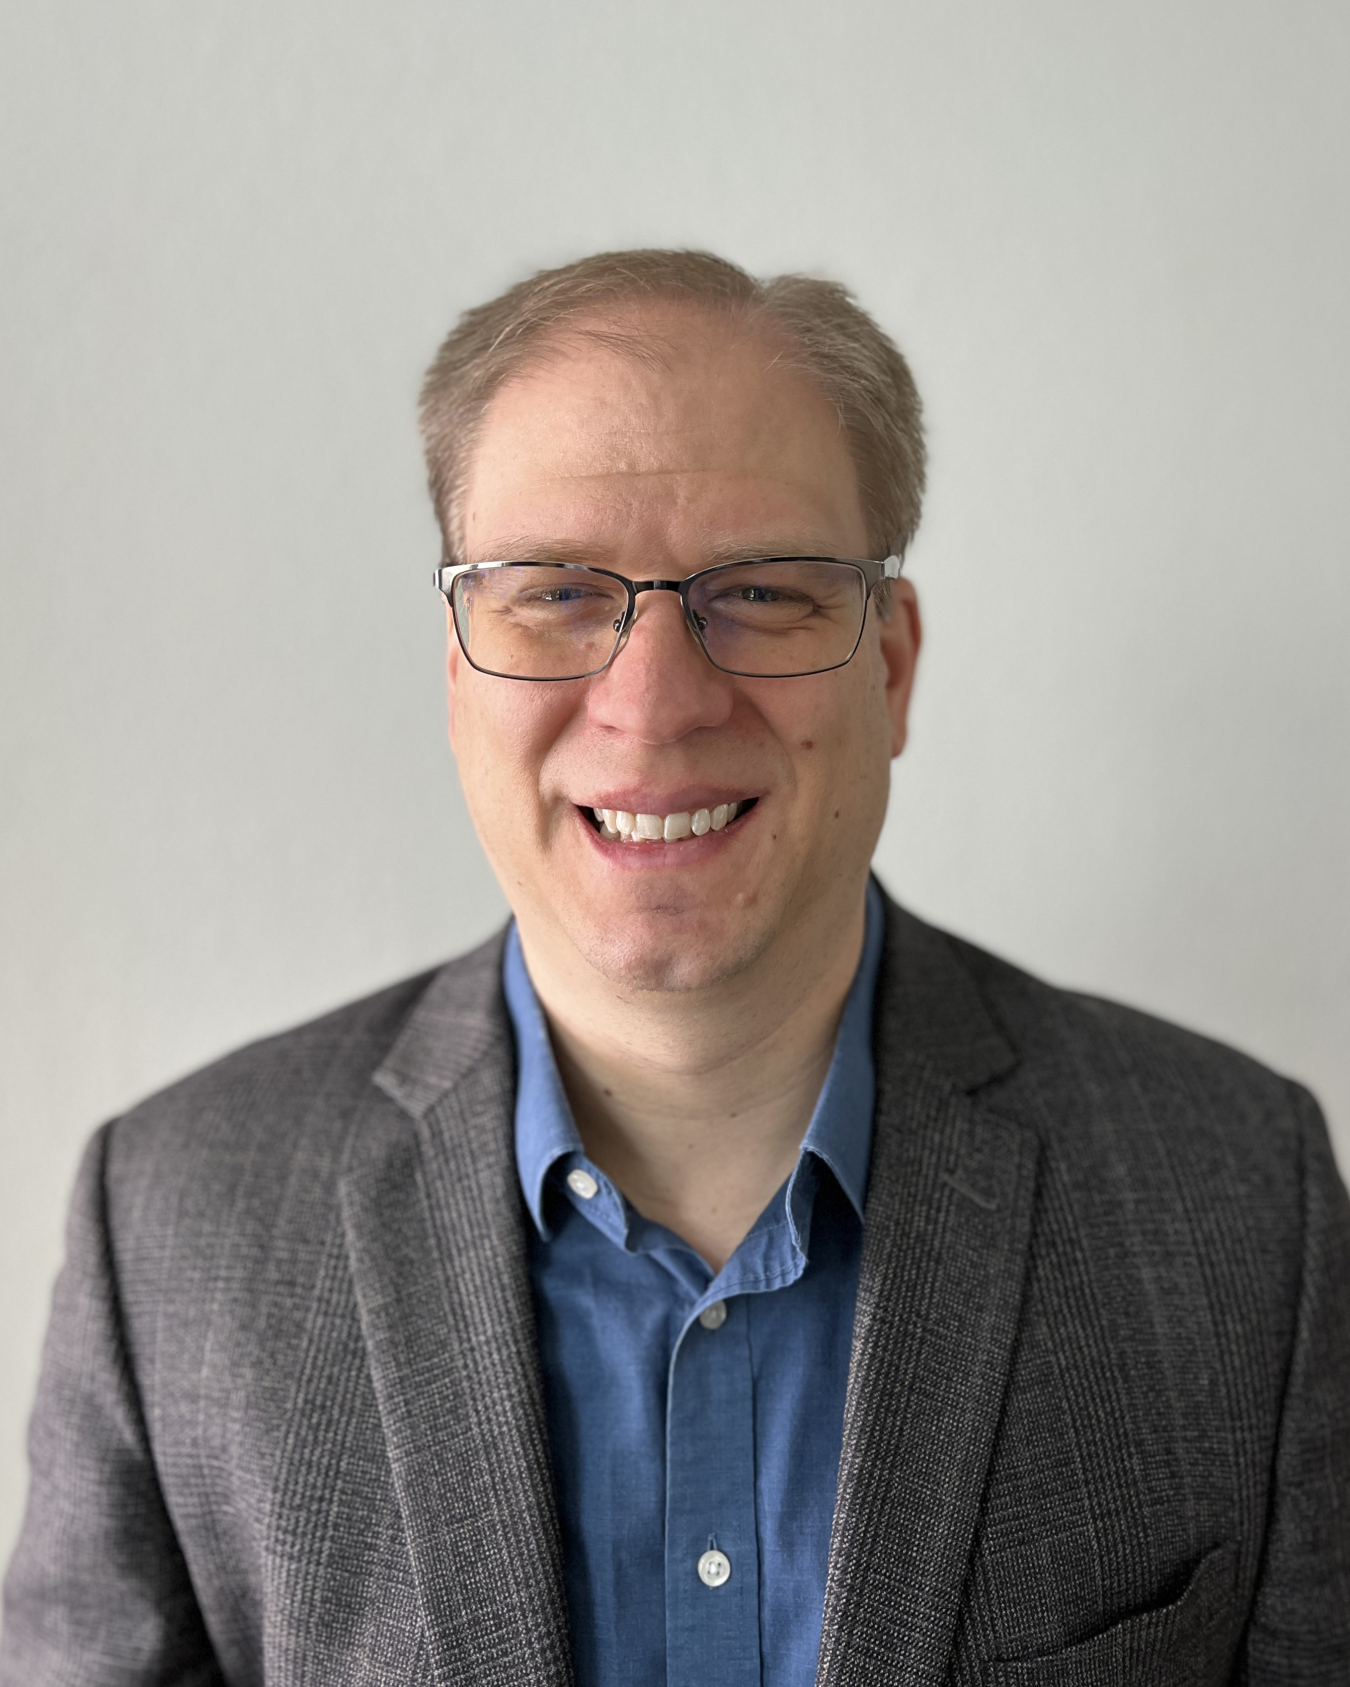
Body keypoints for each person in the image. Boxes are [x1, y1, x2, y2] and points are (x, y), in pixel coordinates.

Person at [2, 249, 1347, 1687]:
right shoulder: (175, 1226)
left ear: (888, 668)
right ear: (458, 675)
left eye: (760, 593)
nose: (652, 704)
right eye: (556, 595)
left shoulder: (1236, 1198)